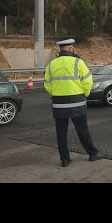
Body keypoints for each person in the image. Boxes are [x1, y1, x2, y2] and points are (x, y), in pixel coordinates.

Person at [44, 38, 104, 167]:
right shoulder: (78, 62)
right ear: (71, 48)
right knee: (82, 130)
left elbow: (47, 85)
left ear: (60, 49)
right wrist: (84, 95)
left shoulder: (51, 65)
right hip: (77, 102)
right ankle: (93, 154)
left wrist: (56, 94)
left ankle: (64, 159)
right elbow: (88, 82)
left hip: (59, 103)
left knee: (61, 131)